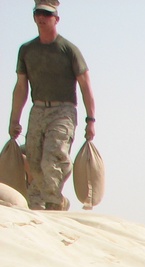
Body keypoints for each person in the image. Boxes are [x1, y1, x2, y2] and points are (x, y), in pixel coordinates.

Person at [8, 1, 96, 211]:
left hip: (63, 111)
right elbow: (21, 87)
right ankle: (41, 205)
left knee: (52, 158)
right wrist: (14, 119)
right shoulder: (27, 50)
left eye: (47, 14)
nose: (41, 18)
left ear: (56, 18)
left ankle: (55, 204)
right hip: (37, 110)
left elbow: (85, 85)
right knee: (35, 162)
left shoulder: (68, 50)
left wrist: (90, 120)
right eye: (38, 13)